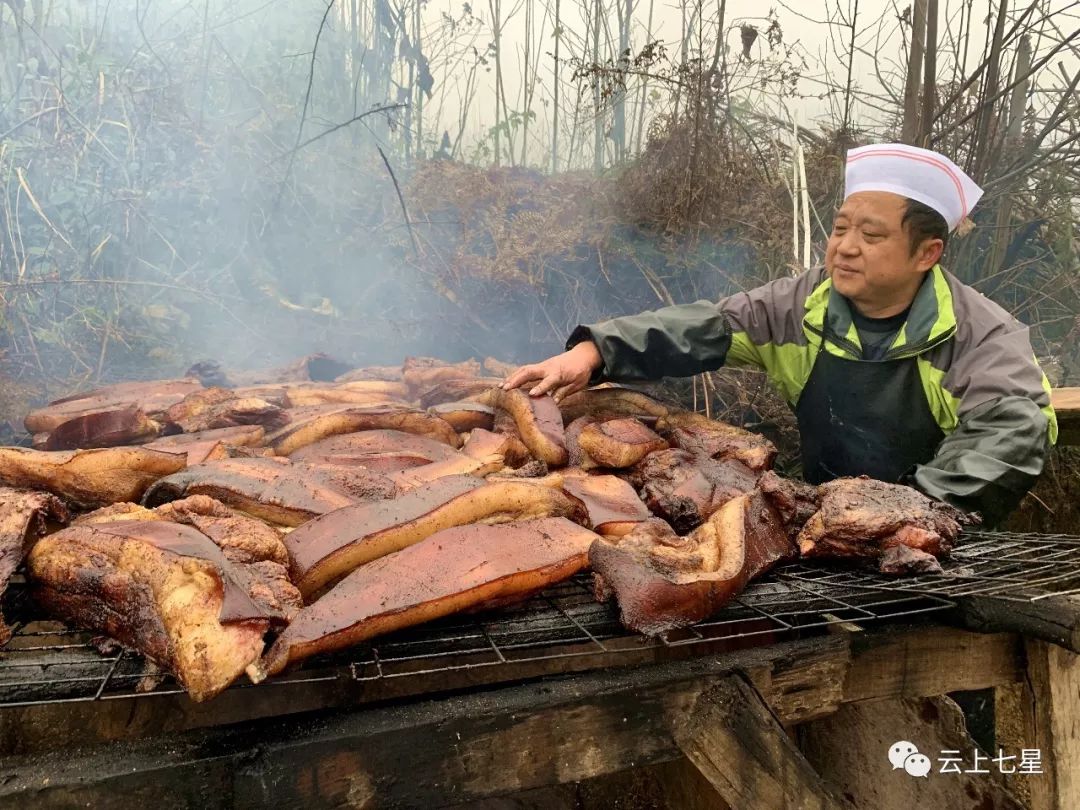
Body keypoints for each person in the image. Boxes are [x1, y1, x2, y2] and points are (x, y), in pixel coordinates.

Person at [503, 143, 1058, 525]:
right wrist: (595, 350)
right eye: (840, 228)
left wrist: (907, 513)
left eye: (871, 234)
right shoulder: (800, 305)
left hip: (931, 537)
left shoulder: (981, 335)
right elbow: (707, 327)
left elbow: (1010, 432)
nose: (845, 246)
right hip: (823, 521)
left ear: (927, 253)